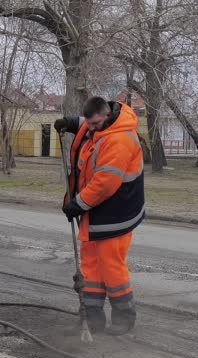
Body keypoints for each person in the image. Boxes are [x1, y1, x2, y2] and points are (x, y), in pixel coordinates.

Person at [55, 96, 145, 336]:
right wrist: (70, 122)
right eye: (88, 124)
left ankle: (124, 318)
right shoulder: (103, 122)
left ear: (108, 116)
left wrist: (77, 204)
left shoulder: (118, 140)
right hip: (96, 212)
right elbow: (87, 121)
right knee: (91, 265)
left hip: (116, 213)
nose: (89, 128)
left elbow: (105, 184)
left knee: (111, 266)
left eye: (94, 125)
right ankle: (93, 317)